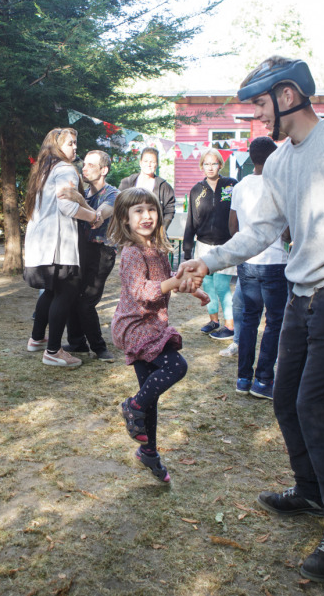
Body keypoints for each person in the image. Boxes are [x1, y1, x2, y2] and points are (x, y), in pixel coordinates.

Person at [176, 57, 324, 581]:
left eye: (260, 104)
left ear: (287, 96)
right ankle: (309, 492)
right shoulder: (279, 162)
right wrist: (207, 259)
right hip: (300, 296)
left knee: (317, 410)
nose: (256, 117)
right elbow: (260, 231)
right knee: (285, 400)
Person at [111, 187, 209, 482]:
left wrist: (194, 289)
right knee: (176, 366)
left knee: (149, 395)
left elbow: (170, 282)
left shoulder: (157, 250)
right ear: (125, 220)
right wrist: (172, 283)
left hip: (153, 326)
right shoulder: (132, 253)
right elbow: (143, 294)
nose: (146, 216)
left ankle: (148, 452)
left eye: (150, 209)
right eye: (138, 211)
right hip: (136, 328)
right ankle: (133, 406)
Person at [23, 127, 101, 368]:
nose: (75, 148)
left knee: (51, 290)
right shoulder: (65, 169)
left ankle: (37, 339)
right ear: (57, 146)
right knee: (65, 292)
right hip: (57, 244)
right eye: (70, 144)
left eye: (76, 143)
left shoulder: (43, 170)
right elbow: (67, 207)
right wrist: (93, 217)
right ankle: (54, 351)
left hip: (41, 243)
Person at [229, 136, 288, 399]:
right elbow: (287, 233)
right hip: (274, 262)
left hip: (247, 261)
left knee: (250, 319)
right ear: (274, 157)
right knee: (274, 322)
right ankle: (263, 380)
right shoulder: (280, 185)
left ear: (250, 158)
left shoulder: (240, 187)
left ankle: (243, 378)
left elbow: (233, 227)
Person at [62, 150, 119, 362]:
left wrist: (78, 200)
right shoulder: (84, 193)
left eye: (90, 165)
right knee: (70, 295)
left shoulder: (113, 195)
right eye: (84, 164)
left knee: (86, 302)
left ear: (104, 170)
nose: (84, 168)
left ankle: (100, 348)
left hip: (102, 253)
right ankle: (77, 343)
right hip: (80, 250)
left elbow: (98, 218)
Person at [183, 148, 237, 340]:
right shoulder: (197, 190)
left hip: (225, 245)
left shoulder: (231, 185)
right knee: (208, 285)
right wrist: (187, 251)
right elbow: (191, 221)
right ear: (202, 166)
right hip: (204, 245)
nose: (210, 167)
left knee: (222, 286)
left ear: (220, 165)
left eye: (214, 163)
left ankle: (230, 326)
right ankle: (214, 321)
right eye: (207, 164)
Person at [119, 147, 176, 229]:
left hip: (154, 233)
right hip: (129, 232)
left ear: (156, 164)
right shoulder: (127, 183)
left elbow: (169, 211)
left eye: (152, 162)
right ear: (140, 163)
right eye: (146, 161)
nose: (149, 165)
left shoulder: (164, 187)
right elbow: (118, 207)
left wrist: (162, 231)